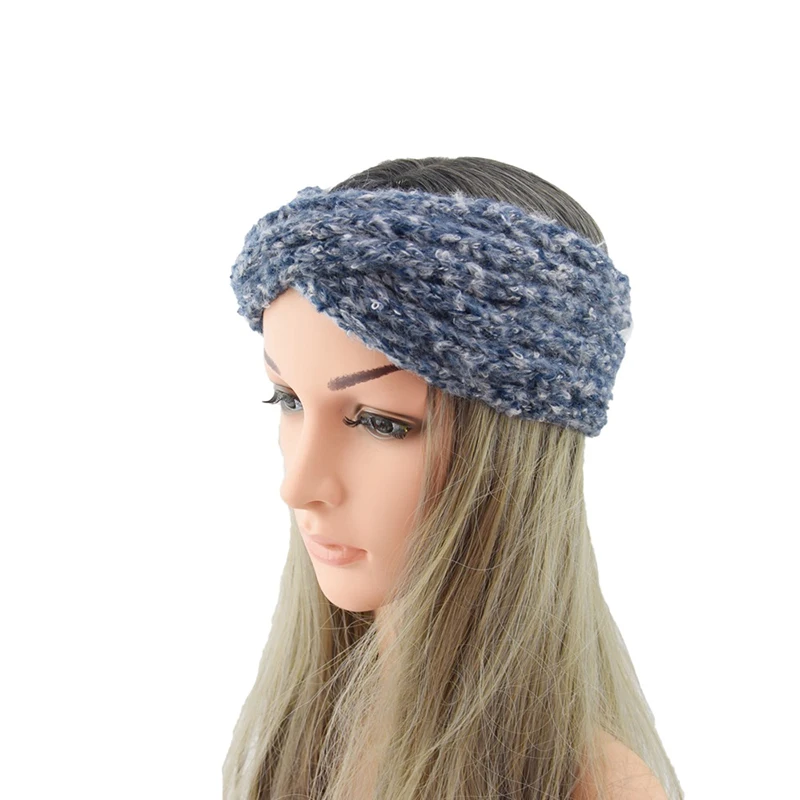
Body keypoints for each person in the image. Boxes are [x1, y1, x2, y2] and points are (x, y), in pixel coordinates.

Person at [224, 157, 683, 799]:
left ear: (512, 454)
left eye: (381, 423)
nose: (297, 487)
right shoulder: (304, 739)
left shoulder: (592, 789)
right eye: (289, 400)